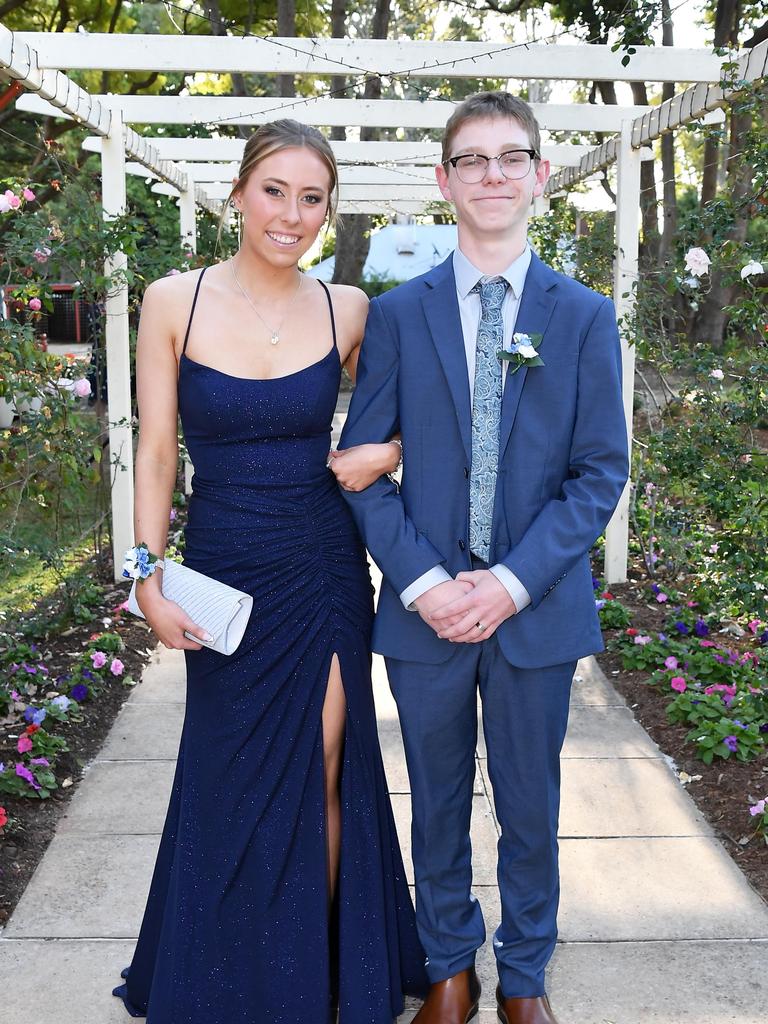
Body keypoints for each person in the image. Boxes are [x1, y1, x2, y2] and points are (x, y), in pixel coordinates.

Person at [112, 118, 427, 1024]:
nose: (292, 214)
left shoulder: (348, 308)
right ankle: (226, 973)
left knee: (325, 766)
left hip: (324, 567)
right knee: (230, 771)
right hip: (224, 565)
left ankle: (315, 977)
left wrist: (391, 450)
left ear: (329, 210)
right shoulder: (175, 299)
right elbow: (159, 450)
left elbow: (405, 426)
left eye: (312, 197)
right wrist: (147, 573)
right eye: (275, 191)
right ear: (239, 193)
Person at [337, 92, 629, 1024]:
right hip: (425, 608)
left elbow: (597, 475)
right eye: (472, 159)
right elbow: (361, 469)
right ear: (444, 180)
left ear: (540, 177)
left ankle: (527, 978)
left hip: (534, 609)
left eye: (512, 158)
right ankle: (450, 967)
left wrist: (506, 584)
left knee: (530, 805)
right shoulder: (396, 315)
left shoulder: (582, 317)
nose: (492, 175)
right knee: (434, 799)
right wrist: (425, 585)